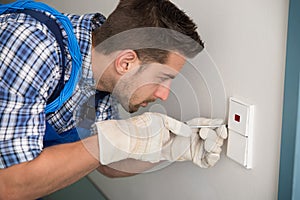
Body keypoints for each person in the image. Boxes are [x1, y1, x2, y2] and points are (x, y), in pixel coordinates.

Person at [0, 0, 227, 199]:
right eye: (162, 78)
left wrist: (169, 148)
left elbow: (108, 163)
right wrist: (109, 140)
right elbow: (9, 185)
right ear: (126, 62)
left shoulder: (103, 81)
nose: (164, 94)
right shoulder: (33, 46)